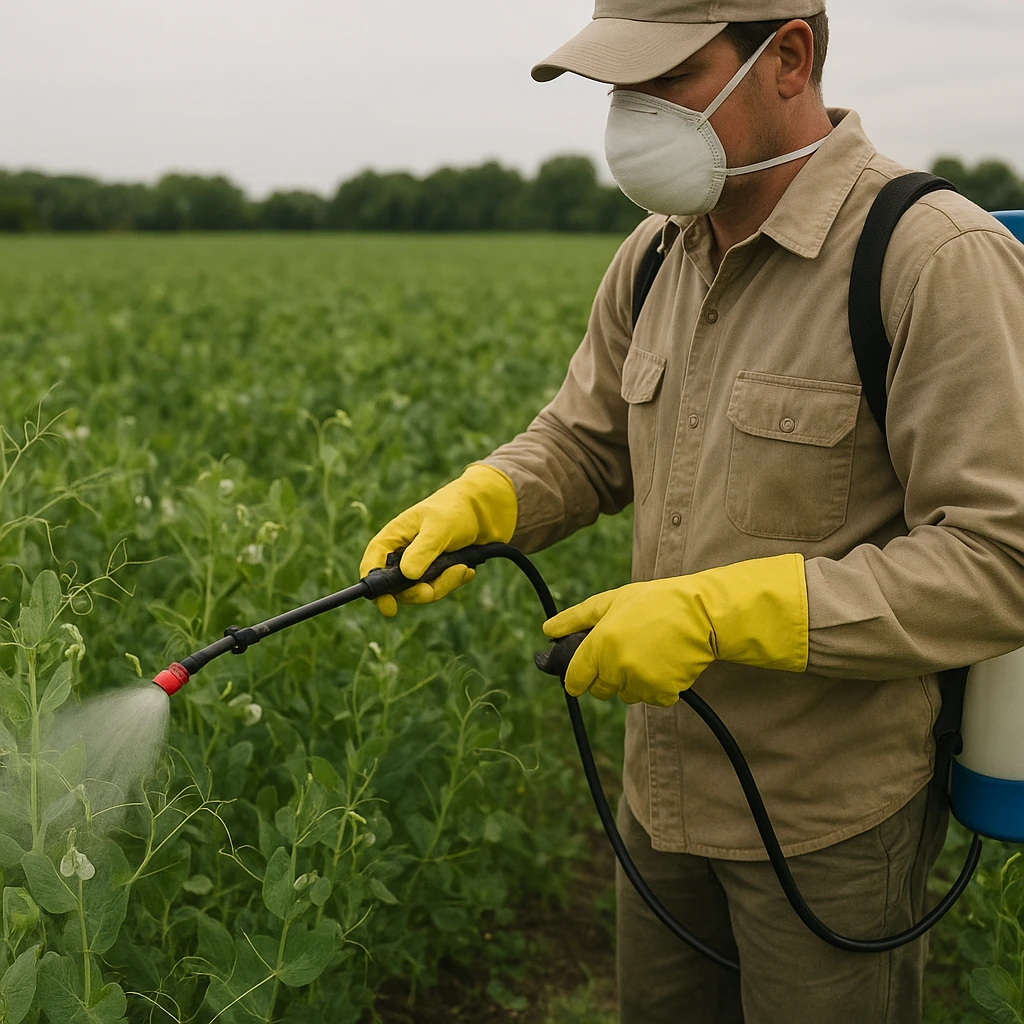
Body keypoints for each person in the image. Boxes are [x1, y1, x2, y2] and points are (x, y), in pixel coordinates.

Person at [359, 2, 1024, 1020]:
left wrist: (717, 615)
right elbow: (584, 440)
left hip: (827, 819)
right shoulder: (658, 253)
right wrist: (486, 498)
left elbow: (997, 561)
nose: (630, 116)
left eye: (664, 79)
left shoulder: (930, 257)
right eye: (616, 88)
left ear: (787, 57)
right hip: (658, 794)